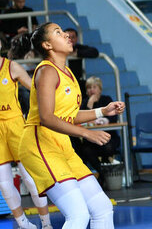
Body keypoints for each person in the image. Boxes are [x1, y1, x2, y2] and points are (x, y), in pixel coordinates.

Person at [16, 22, 125, 229]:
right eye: (58, 32)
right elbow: (47, 118)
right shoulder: (46, 72)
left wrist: (102, 111)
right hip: (40, 145)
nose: (66, 35)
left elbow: (68, 115)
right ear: (48, 45)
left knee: (102, 207)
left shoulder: (68, 72)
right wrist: (87, 133)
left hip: (62, 146)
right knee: (78, 215)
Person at [0, 36, 53, 229]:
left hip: (16, 126)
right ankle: (23, 223)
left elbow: (36, 90)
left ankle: (46, 223)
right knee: (4, 184)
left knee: (30, 179)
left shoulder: (11, 67)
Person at [71, 76, 121, 189]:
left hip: (109, 137)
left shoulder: (106, 100)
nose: (91, 90)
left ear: (100, 89)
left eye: (94, 87)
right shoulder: (84, 103)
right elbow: (82, 120)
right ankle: (103, 173)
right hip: (90, 140)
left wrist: (102, 120)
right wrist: (89, 104)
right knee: (85, 150)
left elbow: (114, 118)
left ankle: (103, 174)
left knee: (107, 147)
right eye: (89, 88)